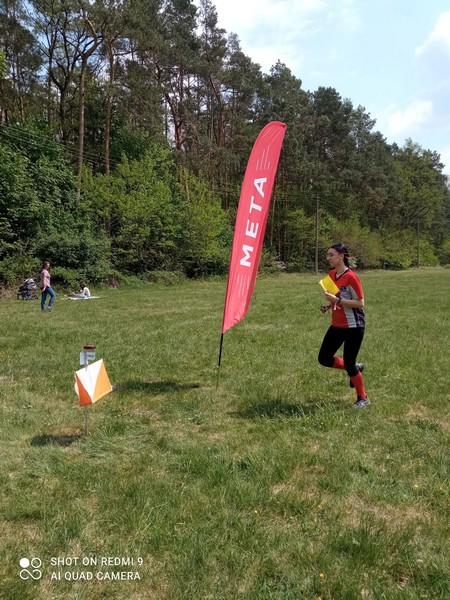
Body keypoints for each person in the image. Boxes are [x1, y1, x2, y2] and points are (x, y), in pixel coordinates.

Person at [318, 243, 370, 409]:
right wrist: (329, 306)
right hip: (337, 325)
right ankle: (355, 368)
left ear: (341, 256)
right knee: (324, 358)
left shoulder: (352, 277)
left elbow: (360, 303)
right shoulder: (331, 274)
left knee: (349, 362)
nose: (328, 258)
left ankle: (363, 398)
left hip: (354, 326)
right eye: (328, 255)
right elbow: (336, 296)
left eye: (331, 255)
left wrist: (337, 301)